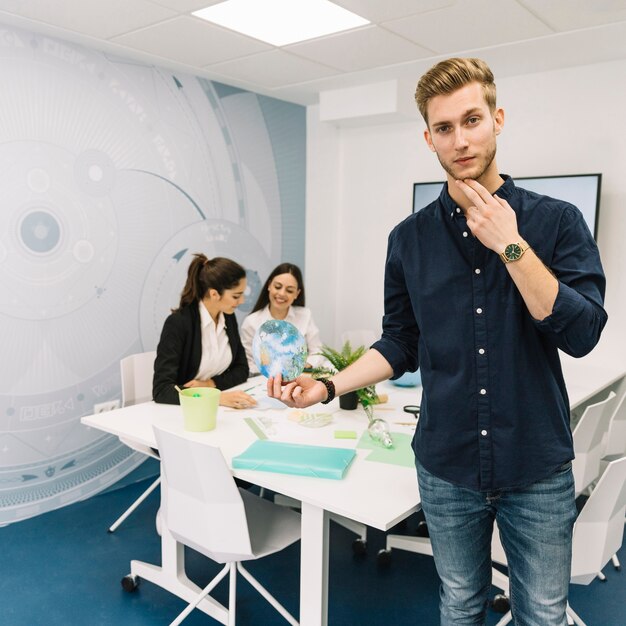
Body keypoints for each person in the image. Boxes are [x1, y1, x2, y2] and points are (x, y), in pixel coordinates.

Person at [268, 58, 607, 625]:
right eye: (445, 128)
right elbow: (399, 342)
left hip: (536, 463)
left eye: (472, 120)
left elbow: (582, 334)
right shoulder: (408, 240)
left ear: (497, 119)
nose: (461, 139)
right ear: (429, 138)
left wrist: (511, 246)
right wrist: (327, 386)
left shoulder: (557, 222)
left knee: (545, 613)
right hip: (446, 465)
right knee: (459, 604)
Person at [153, 253, 256, 410]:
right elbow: (162, 390)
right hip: (185, 412)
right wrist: (216, 397)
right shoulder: (179, 323)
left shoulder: (228, 316)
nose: (241, 301)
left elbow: (242, 369)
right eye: (236, 296)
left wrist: (211, 384)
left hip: (219, 408)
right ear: (214, 294)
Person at [241, 263, 325, 374]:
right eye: (277, 287)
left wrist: (307, 364)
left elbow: (317, 351)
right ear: (269, 285)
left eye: (289, 290)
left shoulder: (305, 315)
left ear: (297, 294)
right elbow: (249, 363)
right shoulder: (251, 322)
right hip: (263, 381)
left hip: (299, 377)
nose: (281, 293)